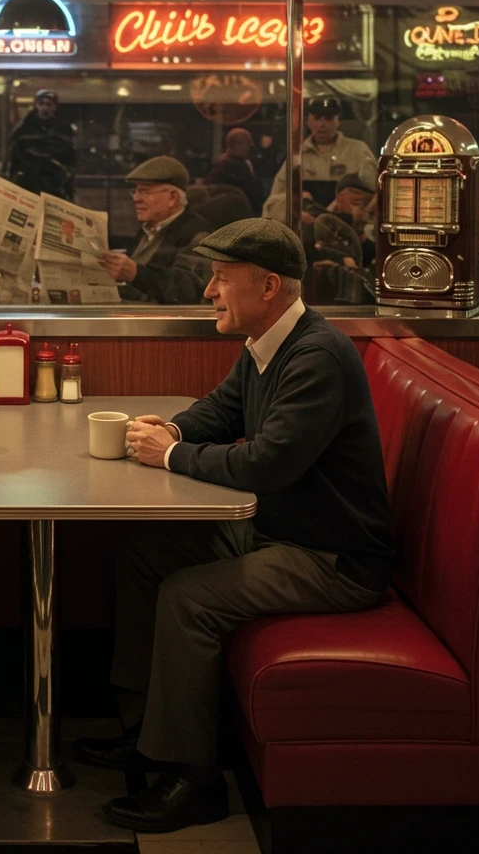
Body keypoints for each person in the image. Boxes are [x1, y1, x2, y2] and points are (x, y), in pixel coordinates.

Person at [74, 218, 396, 832]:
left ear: (269, 285)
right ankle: (145, 727)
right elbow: (220, 410)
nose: (208, 292)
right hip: (281, 530)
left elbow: (268, 463)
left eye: (221, 279)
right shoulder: (267, 344)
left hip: (333, 556)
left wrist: (167, 456)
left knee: (189, 598)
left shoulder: (317, 355)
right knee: (147, 551)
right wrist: (174, 428)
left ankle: (192, 777)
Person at [96, 157, 213, 304]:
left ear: (172, 197)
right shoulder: (148, 230)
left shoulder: (197, 234)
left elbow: (189, 290)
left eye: (145, 191)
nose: (136, 198)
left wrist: (135, 273)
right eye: (135, 191)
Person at [262, 96, 377, 223]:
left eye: (329, 118)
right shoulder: (298, 155)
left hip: (347, 229)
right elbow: (273, 201)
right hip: (306, 229)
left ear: (339, 121)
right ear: (307, 121)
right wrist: (296, 201)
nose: (322, 124)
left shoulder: (357, 150)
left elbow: (378, 193)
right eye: (316, 118)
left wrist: (357, 202)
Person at [3, 88, 77, 199]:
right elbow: (13, 152)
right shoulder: (25, 126)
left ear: (55, 107)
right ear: (36, 105)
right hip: (27, 181)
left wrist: (66, 177)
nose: (45, 108)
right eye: (41, 103)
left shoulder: (63, 128)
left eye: (49, 104)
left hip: (54, 182)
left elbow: (70, 156)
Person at [205, 127, 265, 214]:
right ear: (237, 144)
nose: (249, 147)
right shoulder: (223, 165)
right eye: (247, 143)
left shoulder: (243, 162)